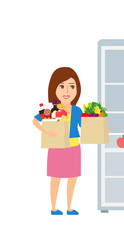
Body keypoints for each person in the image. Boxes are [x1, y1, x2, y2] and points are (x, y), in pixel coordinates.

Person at [33, 67, 83, 215]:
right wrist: (46, 131)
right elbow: (35, 121)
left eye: (71, 86)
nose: (67, 91)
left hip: (74, 146)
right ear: (53, 89)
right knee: (56, 178)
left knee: (72, 177)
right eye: (61, 86)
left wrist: (101, 129)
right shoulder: (51, 109)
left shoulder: (77, 110)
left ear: (77, 90)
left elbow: (85, 126)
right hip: (56, 147)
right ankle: (54, 208)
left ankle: (69, 207)